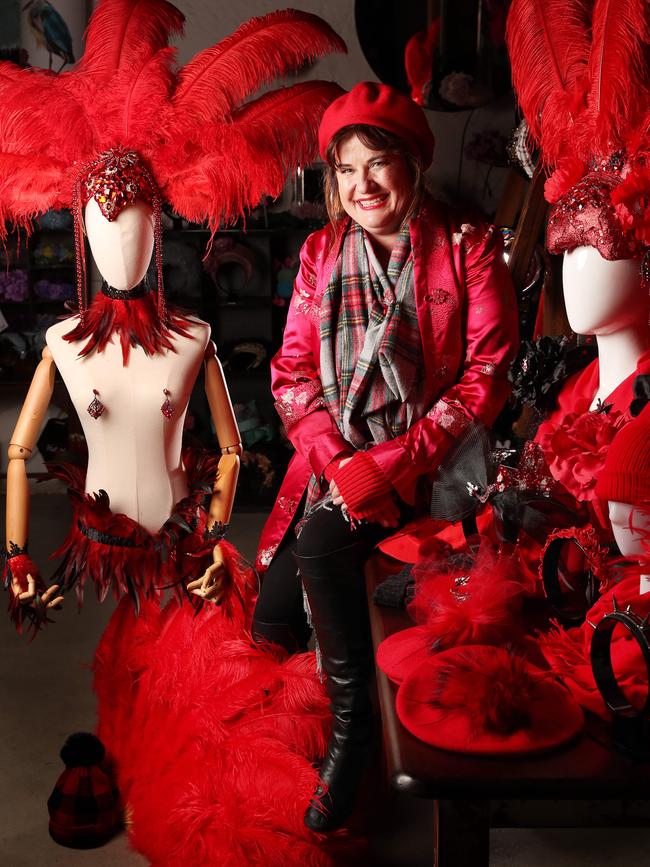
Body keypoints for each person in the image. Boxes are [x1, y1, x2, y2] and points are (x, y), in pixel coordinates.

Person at [253, 81, 520, 831]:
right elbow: (292, 373)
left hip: (433, 471)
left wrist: (395, 462)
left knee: (321, 544)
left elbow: (485, 379)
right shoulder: (318, 252)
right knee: (267, 623)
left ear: (414, 166)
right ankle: (294, 747)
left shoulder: (469, 250)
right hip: (337, 465)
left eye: (377, 164)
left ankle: (354, 731)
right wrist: (340, 462)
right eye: (345, 169)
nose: (361, 184)